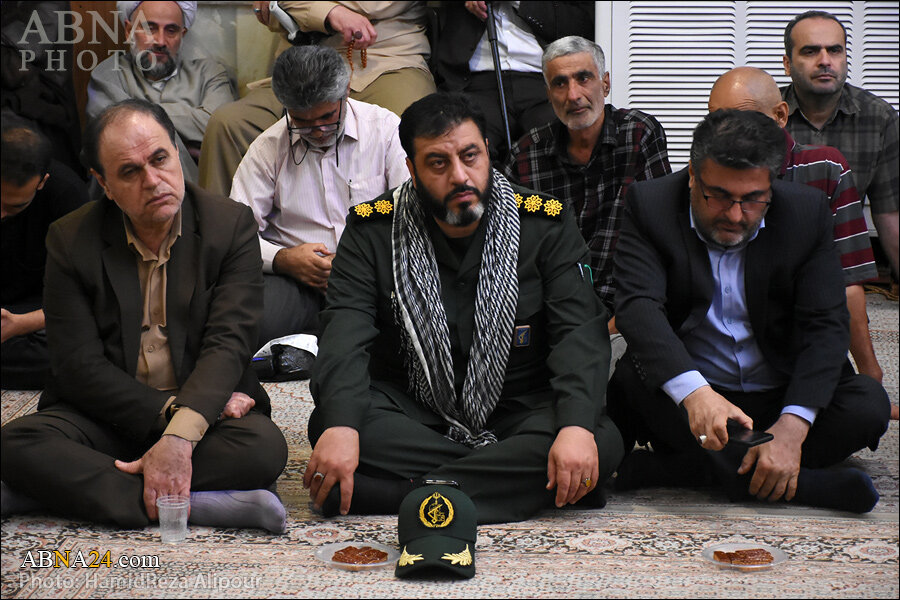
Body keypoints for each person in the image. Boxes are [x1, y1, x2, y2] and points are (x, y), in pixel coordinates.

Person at [304, 92, 623, 524]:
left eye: (470, 156)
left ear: (487, 153)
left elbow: (579, 333)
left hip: (520, 410)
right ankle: (520, 483)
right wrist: (342, 427)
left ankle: (398, 494)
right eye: (438, 163)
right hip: (416, 414)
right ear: (411, 171)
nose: (460, 176)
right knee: (332, 421)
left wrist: (575, 429)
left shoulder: (545, 225)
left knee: (597, 436)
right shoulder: (371, 231)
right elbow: (344, 335)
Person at [0, 99, 288, 534]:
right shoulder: (70, 238)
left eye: (160, 159)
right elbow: (78, 365)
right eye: (130, 172)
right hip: (108, 415)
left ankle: (51, 492)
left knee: (263, 448)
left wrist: (182, 433)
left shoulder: (229, 225)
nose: (153, 181)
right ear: (103, 183)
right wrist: (171, 416)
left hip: (202, 414)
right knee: (15, 443)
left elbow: (229, 343)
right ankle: (200, 505)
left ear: (176, 151)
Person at [608, 109, 890, 514]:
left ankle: (682, 470)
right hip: (698, 393)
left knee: (867, 405)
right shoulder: (650, 204)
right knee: (630, 383)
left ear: (772, 184)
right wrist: (696, 394)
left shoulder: (807, 212)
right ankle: (802, 485)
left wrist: (792, 427)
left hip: (779, 390)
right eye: (719, 196)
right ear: (693, 175)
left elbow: (827, 324)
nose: (735, 214)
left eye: (753, 199)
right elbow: (638, 307)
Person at [708, 66, 883, 383]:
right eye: (716, 120)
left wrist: (871, 374)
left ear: (780, 115)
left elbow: (848, 282)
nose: (726, 134)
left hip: (800, 341)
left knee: (860, 405)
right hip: (722, 344)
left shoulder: (824, 167)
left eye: (743, 120)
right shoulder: (706, 176)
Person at [230, 45, 408, 349]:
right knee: (250, 323)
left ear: (346, 91)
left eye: (327, 116)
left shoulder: (386, 131)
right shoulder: (268, 148)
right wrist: (284, 260)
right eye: (302, 121)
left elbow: (410, 215)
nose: (318, 131)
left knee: (406, 327)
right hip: (297, 280)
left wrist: (362, 262)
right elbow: (236, 236)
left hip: (375, 272)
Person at [504, 36, 671, 335]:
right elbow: (509, 250)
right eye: (560, 83)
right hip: (552, 316)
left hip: (626, 308)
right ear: (549, 94)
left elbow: (662, 236)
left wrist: (625, 317)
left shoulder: (639, 134)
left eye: (583, 78)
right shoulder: (526, 155)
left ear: (605, 84)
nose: (573, 95)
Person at [198, 1, 435, 197]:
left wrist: (304, 9)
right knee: (228, 124)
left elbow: (373, 5)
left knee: (411, 125)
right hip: (302, 60)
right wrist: (330, 12)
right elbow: (266, 9)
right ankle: (225, 236)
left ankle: (400, 233)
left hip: (385, 58)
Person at [781, 10, 899, 281]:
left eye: (834, 50)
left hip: (842, 269)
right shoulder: (767, 116)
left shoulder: (879, 118)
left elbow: (891, 215)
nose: (825, 61)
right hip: (774, 266)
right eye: (810, 51)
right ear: (787, 64)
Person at [86, 1, 237, 183]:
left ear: (182, 35)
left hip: (206, 193)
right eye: (150, 28)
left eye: (171, 31)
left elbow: (221, 128)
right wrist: (190, 142)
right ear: (129, 30)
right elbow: (114, 139)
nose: (160, 41)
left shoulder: (209, 73)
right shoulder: (109, 75)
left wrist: (138, 115)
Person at [434, 2, 594, 163]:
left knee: (560, 144)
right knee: (466, 146)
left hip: (544, 81)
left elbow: (582, 24)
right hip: (475, 81)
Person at [1, 116, 87, 389]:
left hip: (41, 314)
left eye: (13, 207)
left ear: (42, 181)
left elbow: (89, 297)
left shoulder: (67, 194)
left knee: (83, 352)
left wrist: (20, 324)